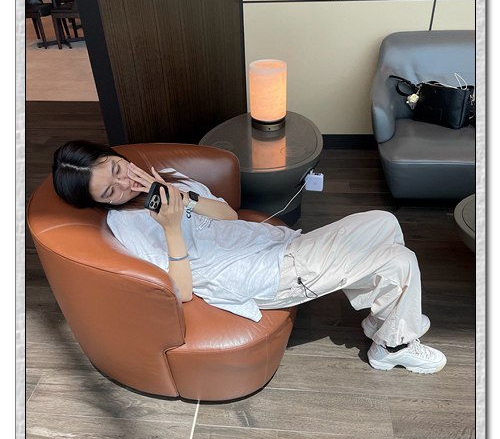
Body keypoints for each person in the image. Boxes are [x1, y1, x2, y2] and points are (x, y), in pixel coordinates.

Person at [52, 140, 447, 374]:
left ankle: (383, 323)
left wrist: (183, 197)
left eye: (118, 169)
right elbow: (181, 292)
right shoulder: (128, 226)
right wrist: (171, 227)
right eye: (110, 191)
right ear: (101, 204)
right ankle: (391, 349)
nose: (124, 183)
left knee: (383, 222)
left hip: (272, 245)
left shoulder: (169, 181)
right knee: (399, 260)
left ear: (120, 157)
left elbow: (228, 215)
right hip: (261, 274)